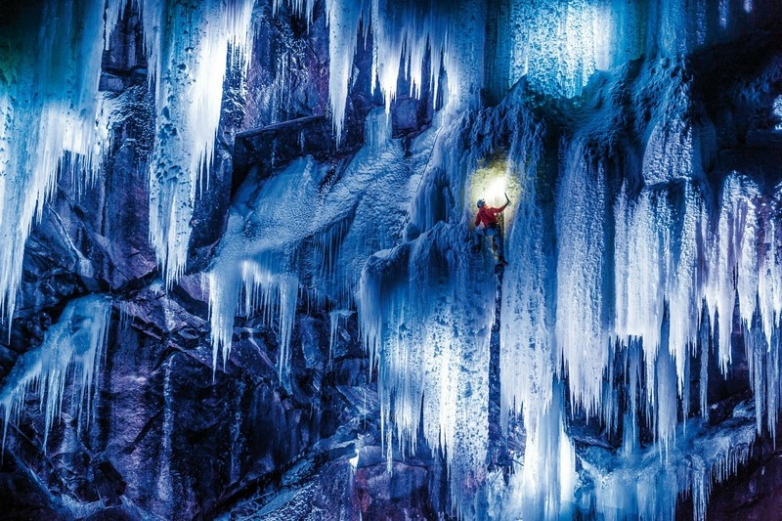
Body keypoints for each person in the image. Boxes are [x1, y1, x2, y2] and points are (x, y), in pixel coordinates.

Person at [473, 195, 510, 265]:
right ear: (484, 203)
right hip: (497, 228)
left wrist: (482, 222)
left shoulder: (479, 213)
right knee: (500, 243)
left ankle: (477, 246)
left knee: (476, 232)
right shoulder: (489, 209)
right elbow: (499, 210)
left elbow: (476, 223)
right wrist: (507, 203)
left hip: (489, 229)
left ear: (479, 206)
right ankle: (501, 258)